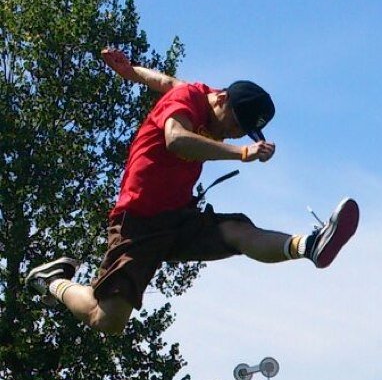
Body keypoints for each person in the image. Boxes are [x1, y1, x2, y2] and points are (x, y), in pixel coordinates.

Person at [25, 50, 359, 335]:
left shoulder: (202, 94)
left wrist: (132, 72)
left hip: (180, 217)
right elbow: (176, 139)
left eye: (244, 132)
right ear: (222, 100)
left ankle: (310, 246)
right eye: (234, 124)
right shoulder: (187, 102)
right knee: (107, 320)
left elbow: (167, 82)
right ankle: (51, 280)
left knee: (236, 231)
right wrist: (242, 153)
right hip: (138, 222)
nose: (233, 133)